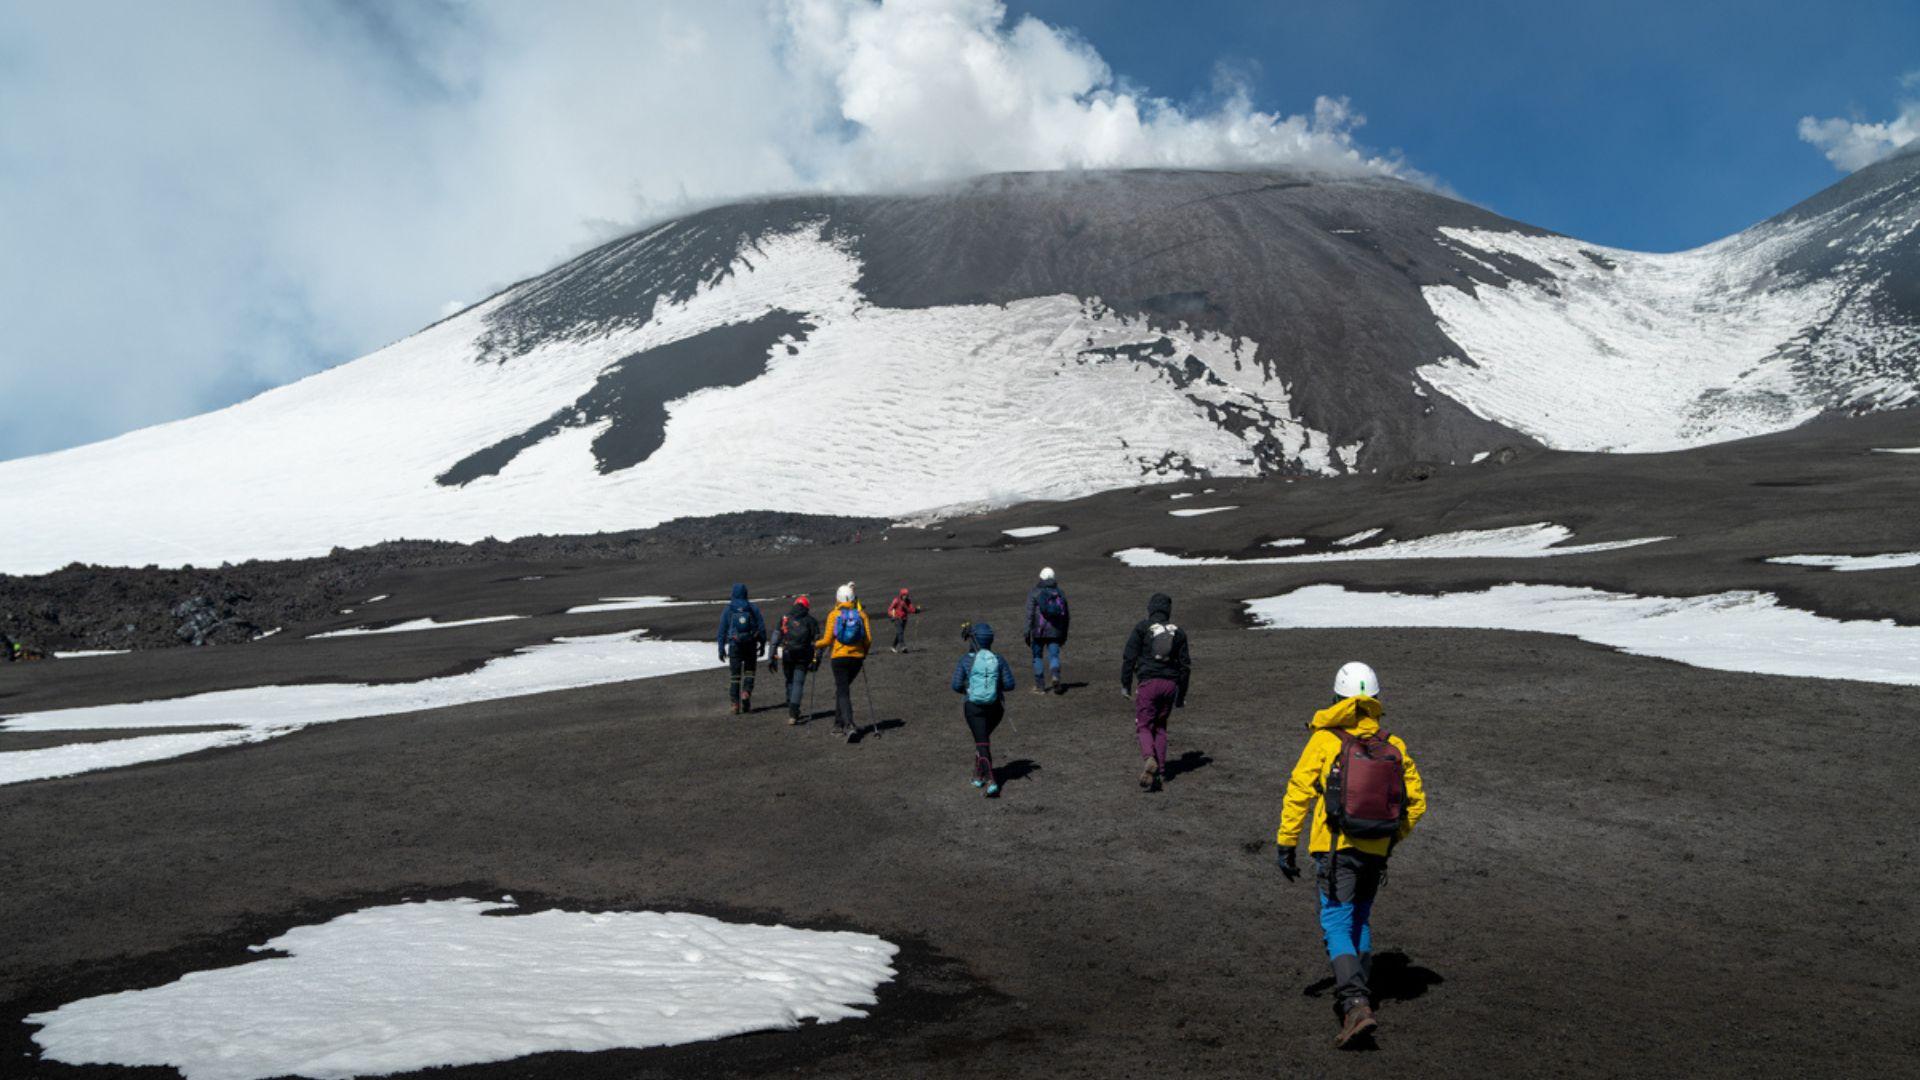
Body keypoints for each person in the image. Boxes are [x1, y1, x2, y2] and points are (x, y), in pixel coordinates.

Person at [1274, 662, 1428, 1048]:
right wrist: (1389, 841)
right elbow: (1417, 803)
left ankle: (1355, 1004)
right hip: (1375, 851)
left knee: (1336, 922)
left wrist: (1287, 842)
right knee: (1359, 917)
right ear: (1375, 700)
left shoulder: (1325, 741)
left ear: (1336, 699)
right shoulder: (1394, 744)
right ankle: (1361, 993)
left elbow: (1298, 792)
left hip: (1335, 849)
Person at [1119, 592, 1191, 791]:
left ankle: (1149, 758)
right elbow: (1185, 667)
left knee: (1143, 726)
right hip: (1170, 686)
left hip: (1148, 684)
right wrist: (1181, 695)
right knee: (1160, 727)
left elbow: (1129, 657)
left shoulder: (1142, 628)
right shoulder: (1179, 633)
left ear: (1150, 609)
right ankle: (1160, 773)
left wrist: (1125, 684)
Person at [949, 621, 1017, 797]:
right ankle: (978, 775)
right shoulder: (998, 659)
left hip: (974, 708)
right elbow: (1010, 685)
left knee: (982, 743)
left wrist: (969, 688)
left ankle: (991, 780)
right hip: (996, 708)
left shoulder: (966, 660)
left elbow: (956, 685)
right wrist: (994, 686)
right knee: (982, 740)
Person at [813, 582, 871, 738]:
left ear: (837, 598)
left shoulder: (834, 615)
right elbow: (868, 640)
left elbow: (827, 641)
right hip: (857, 658)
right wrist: (864, 653)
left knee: (843, 690)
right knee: (842, 688)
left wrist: (814, 645)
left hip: (839, 658)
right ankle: (838, 725)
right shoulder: (862, 615)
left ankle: (849, 725)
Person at [714, 584, 766, 715]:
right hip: (751, 644)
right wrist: (762, 644)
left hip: (734, 645)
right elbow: (761, 627)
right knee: (749, 672)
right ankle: (746, 693)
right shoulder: (752, 608)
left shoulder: (728, 609)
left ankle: (735, 704)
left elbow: (722, 631)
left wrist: (721, 649)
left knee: (735, 676)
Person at [769, 595, 820, 724]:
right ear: (807, 607)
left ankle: (790, 703)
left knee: (790, 680)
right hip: (803, 656)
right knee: (798, 683)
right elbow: (818, 643)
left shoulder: (785, 618)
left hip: (788, 654)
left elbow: (775, 638)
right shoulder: (811, 621)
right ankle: (793, 712)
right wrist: (816, 660)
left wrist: (771, 656)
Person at [1023, 567, 1070, 694]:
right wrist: (1064, 634)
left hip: (1038, 631)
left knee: (1037, 657)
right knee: (1054, 656)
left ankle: (1040, 687)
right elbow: (1066, 616)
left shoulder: (1034, 592)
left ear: (1041, 577)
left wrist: (1026, 632)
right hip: (1055, 631)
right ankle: (1055, 677)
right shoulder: (1060, 593)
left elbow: (1029, 614)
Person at [886, 588, 923, 653]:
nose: (905, 596)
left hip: (904, 619)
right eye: (904, 595)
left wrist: (916, 610)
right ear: (901, 595)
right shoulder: (896, 600)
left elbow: (910, 609)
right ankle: (903, 647)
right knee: (900, 632)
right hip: (897, 618)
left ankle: (893, 647)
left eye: (906, 595)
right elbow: (889, 609)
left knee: (900, 633)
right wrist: (892, 616)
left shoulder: (908, 601)